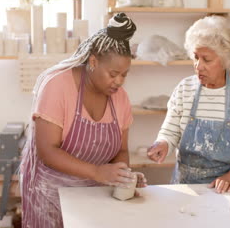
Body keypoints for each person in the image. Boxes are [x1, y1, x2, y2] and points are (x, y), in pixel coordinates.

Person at [20, 13, 147, 227]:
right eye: (113, 73)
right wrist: (97, 172)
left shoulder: (120, 98)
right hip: (50, 196)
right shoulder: (57, 86)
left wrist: (123, 178)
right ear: (93, 61)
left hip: (94, 195)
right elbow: (47, 151)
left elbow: (121, 151)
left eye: (125, 75)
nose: (119, 82)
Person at [147, 15, 230, 194]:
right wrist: (163, 144)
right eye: (195, 57)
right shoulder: (184, 89)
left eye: (207, 59)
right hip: (186, 186)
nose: (198, 66)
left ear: (225, 59)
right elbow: (170, 131)